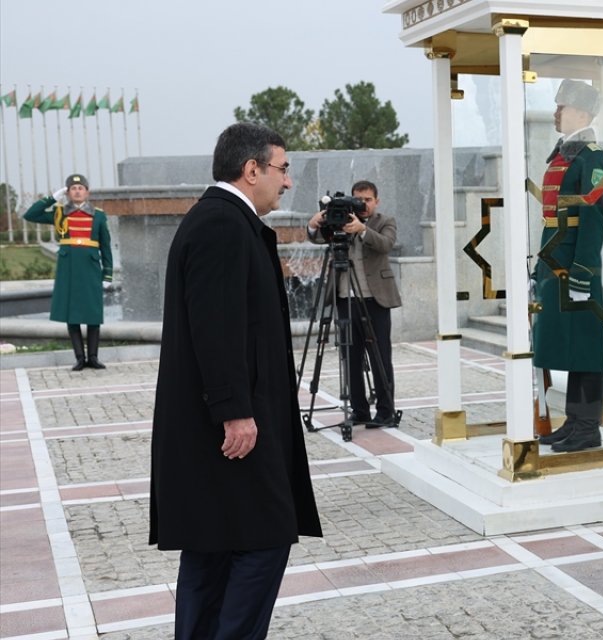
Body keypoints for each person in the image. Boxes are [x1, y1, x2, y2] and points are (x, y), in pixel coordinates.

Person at [149, 122, 322, 640]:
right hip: (229, 428)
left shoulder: (224, 221)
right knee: (263, 538)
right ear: (252, 170)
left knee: (214, 546)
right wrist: (235, 411)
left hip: (219, 425)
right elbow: (215, 327)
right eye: (282, 169)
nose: (287, 182)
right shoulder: (222, 225)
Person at [532, 79, 603, 453]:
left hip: (579, 270)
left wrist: (582, 273)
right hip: (557, 267)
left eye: (561, 106)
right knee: (568, 346)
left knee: (586, 347)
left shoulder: (592, 158)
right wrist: (541, 269)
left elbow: (592, 221)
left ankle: (588, 427)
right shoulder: (565, 153)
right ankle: (574, 421)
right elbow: (554, 219)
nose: (555, 113)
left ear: (580, 112)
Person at [307, 180, 402, 427]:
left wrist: (361, 229)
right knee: (350, 356)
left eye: (367, 200)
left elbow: (386, 244)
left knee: (380, 356)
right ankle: (359, 410)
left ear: (376, 201)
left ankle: (386, 411)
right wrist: (314, 223)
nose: (363, 204)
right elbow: (317, 238)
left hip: (375, 299)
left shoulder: (385, 221)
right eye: (358, 199)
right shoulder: (341, 218)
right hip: (344, 298)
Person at [22, 173, 113, 371]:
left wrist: (107, 274)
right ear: (68, 192)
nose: (77, 191)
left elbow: (105, 247)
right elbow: (30, 215)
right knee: (72, 314)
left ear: (87, 192)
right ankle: (80, 358)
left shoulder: (98, 215)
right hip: (69, 268)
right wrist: (52, 198)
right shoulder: (59, 213)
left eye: (81, 188)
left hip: (90, 269)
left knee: (93, 313)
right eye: (73, 188)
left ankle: (94, 357)